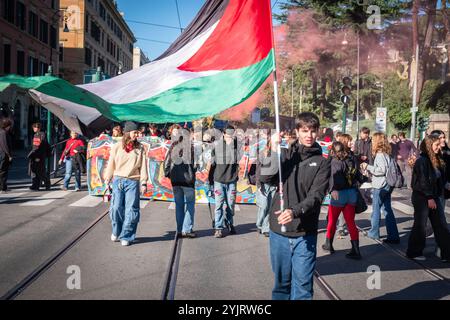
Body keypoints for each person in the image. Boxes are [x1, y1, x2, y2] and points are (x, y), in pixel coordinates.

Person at [268, 112, 331, 300]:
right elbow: (264, 178)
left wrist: (294, 212)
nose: (309, 135)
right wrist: (272, 150)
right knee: (281, 286)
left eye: (312, 131)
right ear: (297, 131)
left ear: (318, 132)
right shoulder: (286, 154)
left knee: (303, 287)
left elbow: (316, 196)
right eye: (304, 131)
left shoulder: (322, 162)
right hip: (278, 231)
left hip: (305, 233)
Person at [406, 135, 450, 262]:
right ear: (429, 146)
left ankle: (447, 253)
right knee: (420, 224)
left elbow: (439, 179)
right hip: (422, 197)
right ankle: (413, 252)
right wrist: (429, 197)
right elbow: (423, 181)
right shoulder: (422, 160)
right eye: (436, 145)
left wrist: (446, 186)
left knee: (441, 224)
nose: (438, 147)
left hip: (433, 196)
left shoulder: (436, 159)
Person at [104, 122, 148, 246]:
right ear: (128, 132)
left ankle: (127, 236)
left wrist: (144, 183)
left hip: (133, 181)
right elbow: (111, 163)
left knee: (131, 210)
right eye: (135, 132)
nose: (137, 135)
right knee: (116, 207)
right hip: (118, 180)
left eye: (138, 132)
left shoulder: (140, 148)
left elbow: (143, 166)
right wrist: (108, 177)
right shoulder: (117, 147)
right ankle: (116, 230)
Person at [322, 141, 362, 259]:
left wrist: (332, 189)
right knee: (350, 222)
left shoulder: (335, 161)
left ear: (333, 151)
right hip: (352, 193)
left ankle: (329, 244)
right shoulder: (352, 159)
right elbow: (359, 176)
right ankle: (356, 249)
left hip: (339, 193)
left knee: (332, 220)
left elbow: (335, 177)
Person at [361, 132, 400, 243]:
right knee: (387, 210)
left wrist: (367, 166)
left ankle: (374, 233)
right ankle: (393, 235)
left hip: (380, 185)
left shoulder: (379, 154)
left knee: (376, 210)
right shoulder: (387, 154)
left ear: (377, 142)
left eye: (373, 140)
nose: (372, 142)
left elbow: (381, 170)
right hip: (388, 184)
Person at [208, 125, 242, 238]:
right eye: (228, 135)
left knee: (230, 205)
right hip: (219, 179)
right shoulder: (217, 146)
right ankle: (218, 227)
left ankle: (229, 222)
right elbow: (211, 164)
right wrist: (209, 181)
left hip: (231, 179)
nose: (229, 137)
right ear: (223, 134)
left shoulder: (236, 145)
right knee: (219, 205)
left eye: (231, 135)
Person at [164, 126, 197, 238]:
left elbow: (166, 163)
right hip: (188, 180)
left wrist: (169, 175)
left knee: (179, 205)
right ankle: (186, 229)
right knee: (190, 204)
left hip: (175, 180)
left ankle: (179, 229)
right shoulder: (191, 148)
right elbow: (196, 165)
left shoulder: (173, 146)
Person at [255, 132, 278, 237]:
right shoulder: (263, 153)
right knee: (264, 206)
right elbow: (258, 170)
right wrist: (259, 184)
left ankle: (266, 228)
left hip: (274, 184)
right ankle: (259, 224)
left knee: (270, 207)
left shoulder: (280, 153)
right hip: (264, 184)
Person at [28, 123, 51, 191]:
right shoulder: (36, 135)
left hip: (39, 156)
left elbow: (41, 147)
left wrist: (38, 156)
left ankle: (47, 184)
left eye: (35, 128)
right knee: (35, 171)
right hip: (35, 155)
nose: (34, 129)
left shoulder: (41, 135)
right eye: (34, 128)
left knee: (40, 171)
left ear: (39, 128)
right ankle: (35, 185)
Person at [354, 127, 373, 205]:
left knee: (369, 181)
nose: (361, 134)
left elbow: (373, 154)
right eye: (361, 133)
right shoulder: (358, 142)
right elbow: (355, 153)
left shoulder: (372, 142)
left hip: (369, 164)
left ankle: (368, 197)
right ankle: (362, 197)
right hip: (360, 164)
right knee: (361, 181)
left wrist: (368, 158)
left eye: (362, 133)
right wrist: (360, 157)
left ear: (366, 134)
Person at [0, 118, 13, 193]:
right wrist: (9, 155)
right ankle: (3, 188)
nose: (10, 127)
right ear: (6, 126)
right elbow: (4, 145)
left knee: (2, 171)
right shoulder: (3, 133)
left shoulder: (2, 132)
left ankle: (3, 187)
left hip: (2, 153)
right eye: (9, 126)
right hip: (3, 154)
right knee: (3, 171)